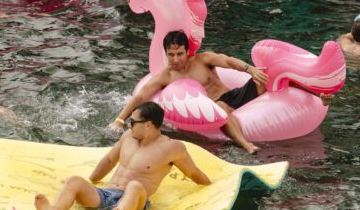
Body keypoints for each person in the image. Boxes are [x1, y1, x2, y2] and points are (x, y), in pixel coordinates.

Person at [36, 101, 211, 210]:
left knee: (134, 186)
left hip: (135, 203)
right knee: (74, 181)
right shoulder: (128, 137)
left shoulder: (171, 148)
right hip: (107, 195)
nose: (128, 124)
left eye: (133, 122)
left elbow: (193, 172)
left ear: (148, 125)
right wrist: (89, 182)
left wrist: (212, 186)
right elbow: (110, 160)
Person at [112, 31, 272, 153]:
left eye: (179, 54)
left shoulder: (203, 60)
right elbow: (140, 96)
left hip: (234, 95)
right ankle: (246, 144)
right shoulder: (166, 76)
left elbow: (228, 61)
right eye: (171, 55)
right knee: (221, 105)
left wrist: (250, 69)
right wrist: (119, 119)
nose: (175, 60)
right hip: (214, 109)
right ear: (166, 54)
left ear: (187, 51)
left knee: (266, 75)